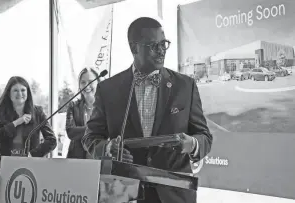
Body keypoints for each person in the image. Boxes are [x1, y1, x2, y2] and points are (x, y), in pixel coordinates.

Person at [82, 17, 213, 203]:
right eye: (153, 46)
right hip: (122, 191)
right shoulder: (108, 89)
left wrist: (192, 144)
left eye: (163, 44)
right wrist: (108, 148)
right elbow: (90, 137)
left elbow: (205, 137)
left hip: (174, 192)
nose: (161, 51)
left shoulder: (185, 86)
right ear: (134, 48)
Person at [0, 76, 56, 163]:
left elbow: (52, 140)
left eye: (23, 90)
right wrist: (16, 123)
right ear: (9, 93)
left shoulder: (38, 112)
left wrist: (33, 154)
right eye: (15, 90)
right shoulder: (1, 112)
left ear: (28, 92)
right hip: (7, 164)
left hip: (31, 164)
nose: (20, 94)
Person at [65, 68, 100, 159]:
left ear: (98, 83)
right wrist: (94, 129)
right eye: (83, 82)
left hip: (99, 158)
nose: (86, 86)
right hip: (76, 158)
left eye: (90, 81)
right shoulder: (73, 106)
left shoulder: (106, 106)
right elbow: (71, 132)